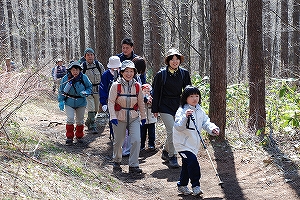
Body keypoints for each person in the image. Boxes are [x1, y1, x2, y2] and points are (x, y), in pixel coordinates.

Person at [173, 85, 220, 196]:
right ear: (185, 98)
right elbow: (178, 126)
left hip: (194, 144)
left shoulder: (199, 110)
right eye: (191, 96)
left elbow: (205, 123)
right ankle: (196, 186)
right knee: (193, 162)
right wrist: (185, 116)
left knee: (187, 164)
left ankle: (182, 185)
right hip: (182, 144)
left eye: (197, 96)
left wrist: (213, 128)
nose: (195, 98)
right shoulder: (181, 111)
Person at [151, 48, 191, 168]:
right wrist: (155, 109)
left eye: (177, 59)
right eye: (172, 59)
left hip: (178, 105)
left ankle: (165, 151)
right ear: (168, 61)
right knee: (172, 130)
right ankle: (173, 156)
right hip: (164, 105)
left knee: (177, 129)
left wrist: (190, 105)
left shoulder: (184, 73)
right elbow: (156, 92)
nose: (175, 61)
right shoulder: (161, 75)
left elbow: (188, 90)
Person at [108, 60, 146, 173]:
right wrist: (112, 117)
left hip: (134, 117)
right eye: (126, 71)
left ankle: (133, 165)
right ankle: (117, 161)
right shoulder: (116, 86)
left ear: (134, 72)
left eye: (131, 71)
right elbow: (110, 102)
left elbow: (141, 103)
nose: (129, 74)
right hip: (119, 117)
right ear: (122, 72)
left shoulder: (138, 86)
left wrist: (143, 117)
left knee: (136, 140)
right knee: (119, 141)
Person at [57, 61, 93, 145]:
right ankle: (69, 137)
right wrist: (61, 100)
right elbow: (61, 90)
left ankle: (79, 136)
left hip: (81, 102)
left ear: (80, 70)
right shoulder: (66, 78)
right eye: (73, 70)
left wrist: (85, 92)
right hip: (69, 101)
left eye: (77, 70)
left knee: (80, 121)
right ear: (70, 70)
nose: (75, 72)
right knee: (70, 119)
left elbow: (89, 87)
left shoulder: (84, 77)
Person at [81, 48, 105, 133]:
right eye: (88, 55)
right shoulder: (83, 66)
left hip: (97, 90)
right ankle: (93, 125)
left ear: (94, 56)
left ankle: (88, 122)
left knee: (95, 109)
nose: (90, 57)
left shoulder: (99, 65)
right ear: (85, 56)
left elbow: (104, 76)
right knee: (91, 107)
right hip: (88, 91)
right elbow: (80, 79)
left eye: (91, 55)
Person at [99, 56, 122, 140]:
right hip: (110, 101)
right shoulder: (105, 75)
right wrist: (103, 103)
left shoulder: (123, 73)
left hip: (122, 101)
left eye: (117, 68)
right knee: (112, 118)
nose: (115, 70)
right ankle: (114, 136)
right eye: (113, 68)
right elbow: (102, 89)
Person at [140, 83, 157, 151]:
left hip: (151, 119)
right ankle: (142, 146)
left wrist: (152, 102)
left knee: (151, 133)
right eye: (144, 91)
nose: (146, 93)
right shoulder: (140, 99)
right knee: (142, 133)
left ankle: (151, 145)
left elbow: (155, 106)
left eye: (148, 91)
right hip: (142, 119)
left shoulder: (152, 98)